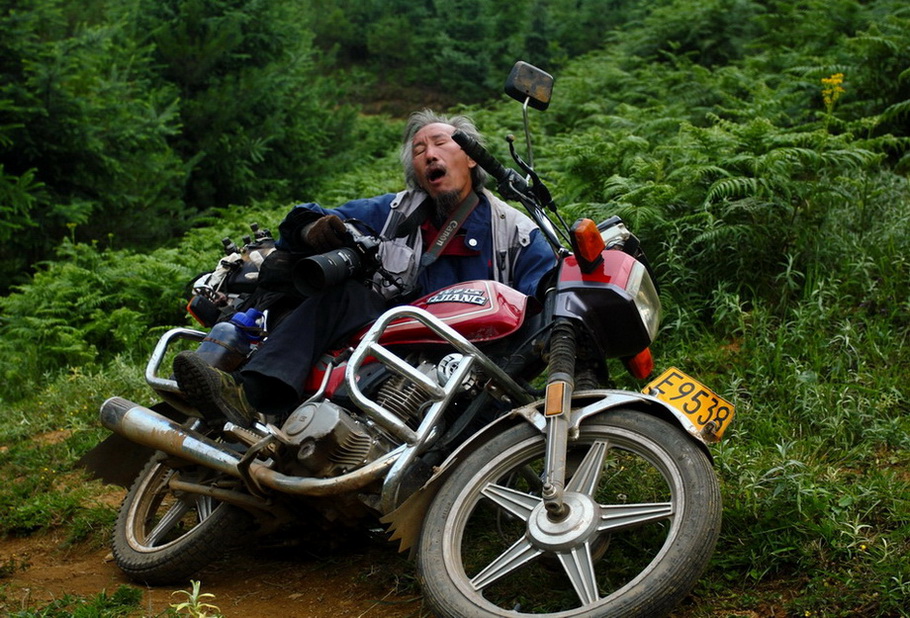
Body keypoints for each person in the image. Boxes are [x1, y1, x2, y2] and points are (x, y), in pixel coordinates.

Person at [173, 109, 556, 427]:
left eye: (441, 143)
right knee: (345, 295)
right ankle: (251, 396)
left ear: (471, 157)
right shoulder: (392, 212)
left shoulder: (516, 231)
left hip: (468, 361)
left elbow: (546, 296)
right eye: (419, 149)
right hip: (388, 334)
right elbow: (304, 221)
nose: (429, 154)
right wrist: (312, 229)